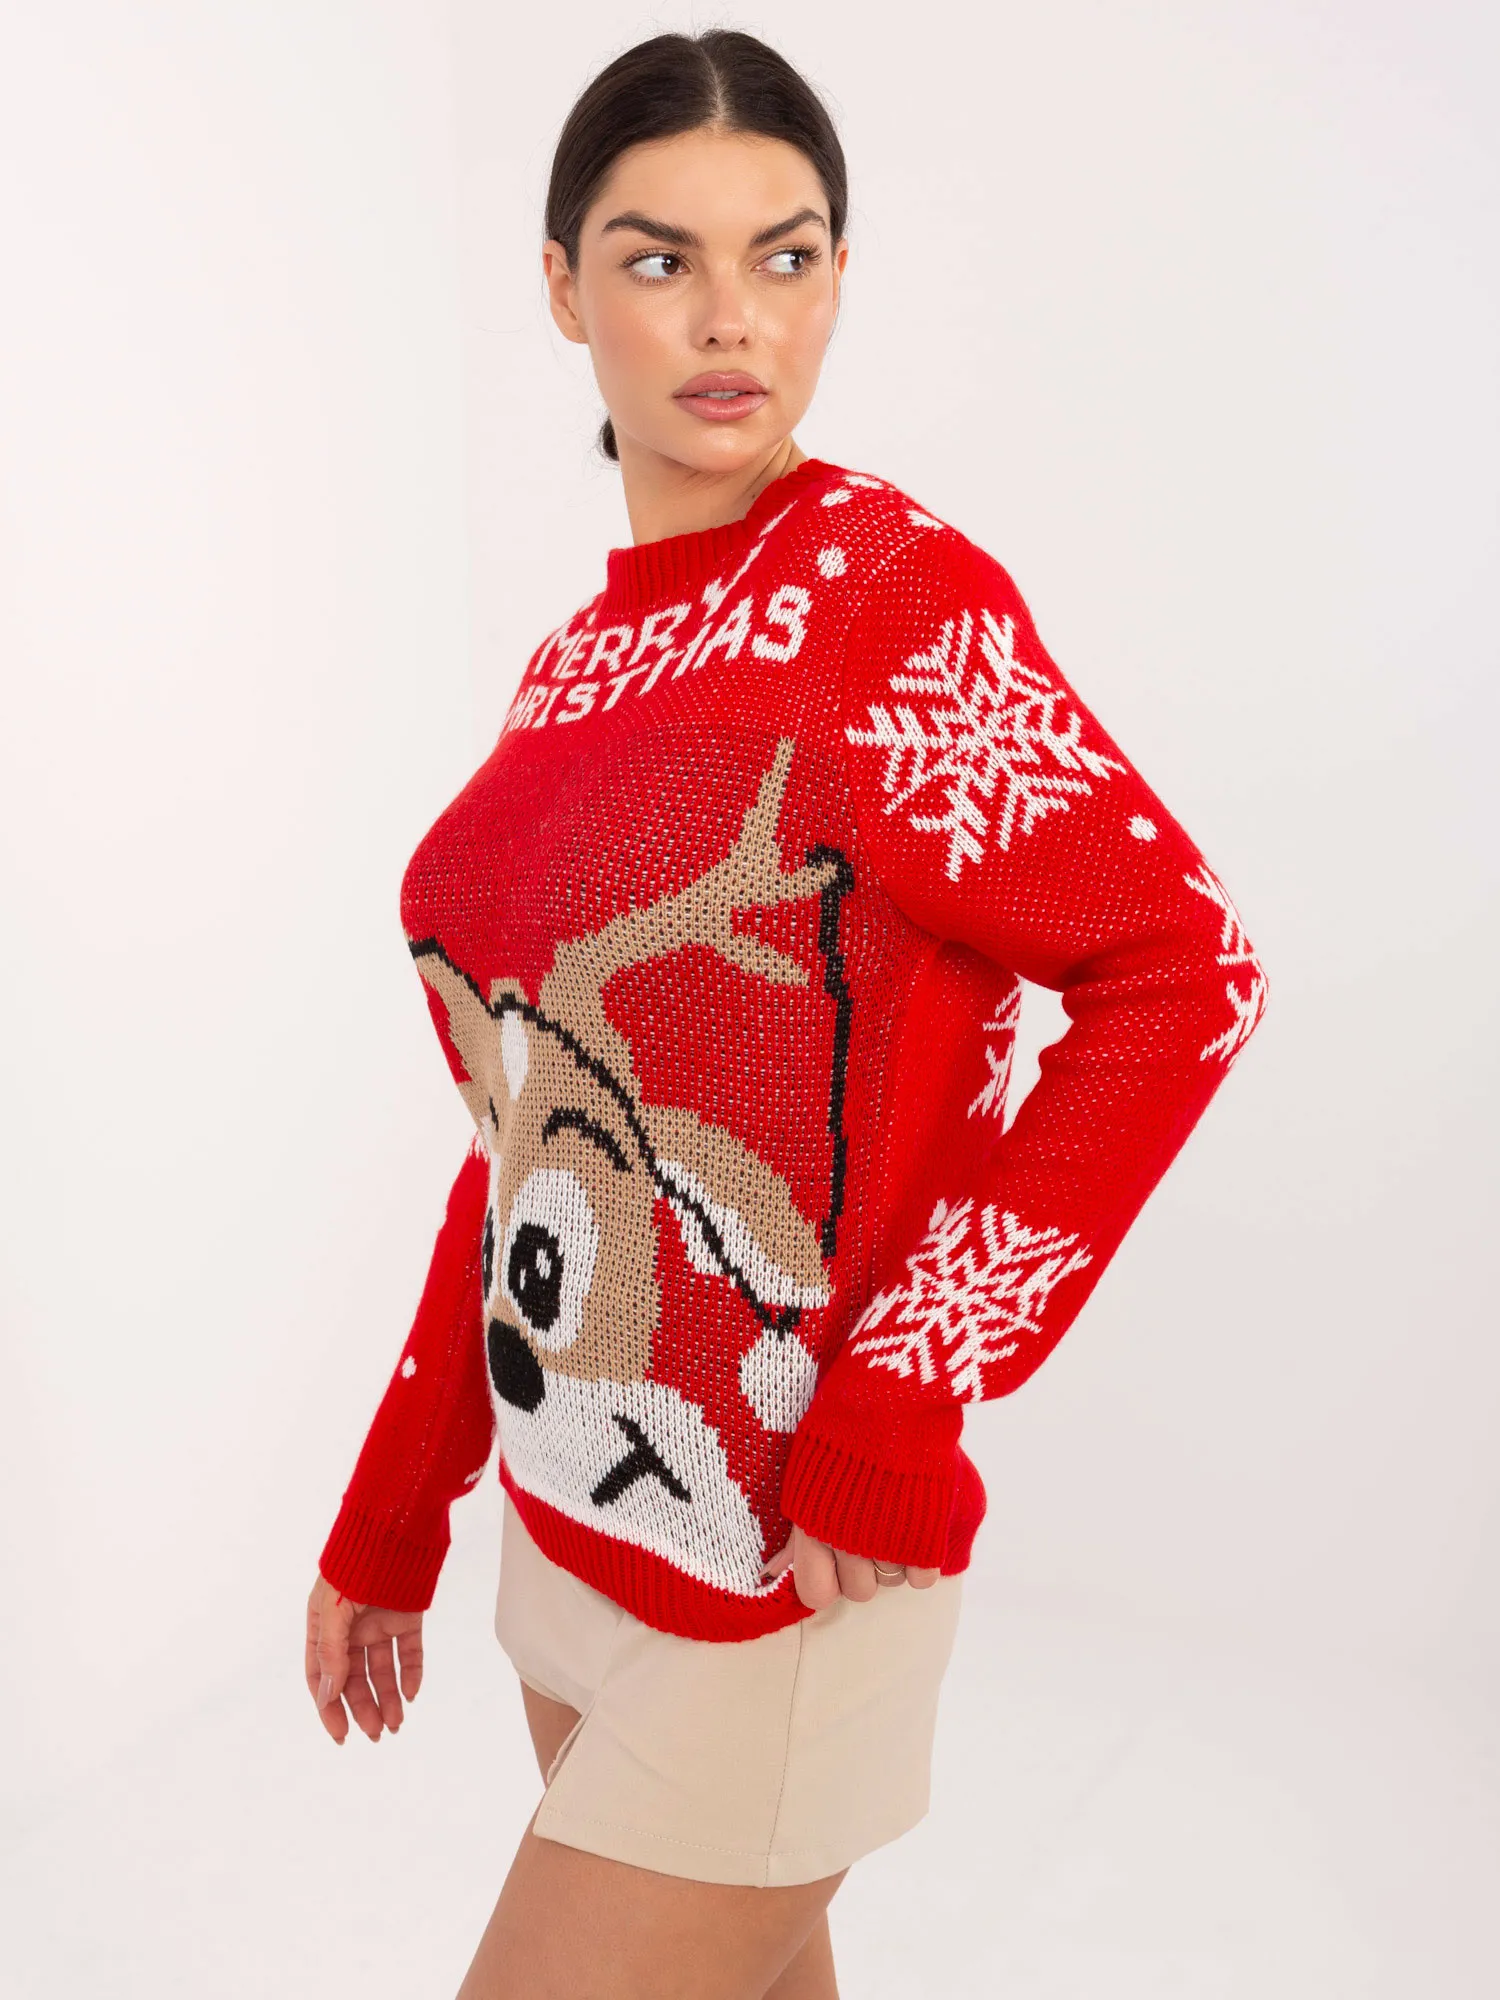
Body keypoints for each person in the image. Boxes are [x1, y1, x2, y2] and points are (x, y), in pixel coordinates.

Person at [303, 28, 1268, 2000]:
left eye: (789, 253)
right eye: (659, 259)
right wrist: (400, 1499)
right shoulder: (574, 670)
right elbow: (536, 1119)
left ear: (838, 275)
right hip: (574, 1535)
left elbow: (1181, 973)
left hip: (782, 1574)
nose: (732, 316)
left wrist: (903, 1394)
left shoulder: (887, 600)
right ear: (562, 285)